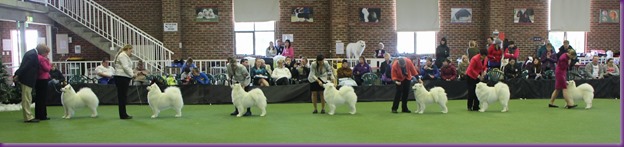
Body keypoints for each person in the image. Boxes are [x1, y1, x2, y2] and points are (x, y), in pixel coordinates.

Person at [14, 44, 49, 123]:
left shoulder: (31, 53)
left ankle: (29, 116)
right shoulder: (32, 55)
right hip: (27, 79)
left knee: (27, 98)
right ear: (42, 51)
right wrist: (17, 74)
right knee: (26, 99)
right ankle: (28, 117)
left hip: (27, 79)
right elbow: (25, 66)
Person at [113, 44, 134, 119]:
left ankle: (123, 114)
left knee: (123, 96)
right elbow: (125, 67)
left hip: (123, 77)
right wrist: (132, 75)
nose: (131, 52)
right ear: (128, 49)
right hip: (121, 77)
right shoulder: (122, 56)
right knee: (122, 97)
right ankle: (123, 114)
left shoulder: (124, 56)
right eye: (131, 50)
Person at [35, 46, 51, 121]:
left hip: (38, 79)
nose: (47, 54)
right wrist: (49, 62)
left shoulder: (37, 57)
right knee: (42, 98)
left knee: (39, 98)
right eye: (47, 53)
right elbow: (47, 68)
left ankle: (38, 114)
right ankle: (42, 115)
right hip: (43, 79)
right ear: (43, 52)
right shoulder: (42, 59)